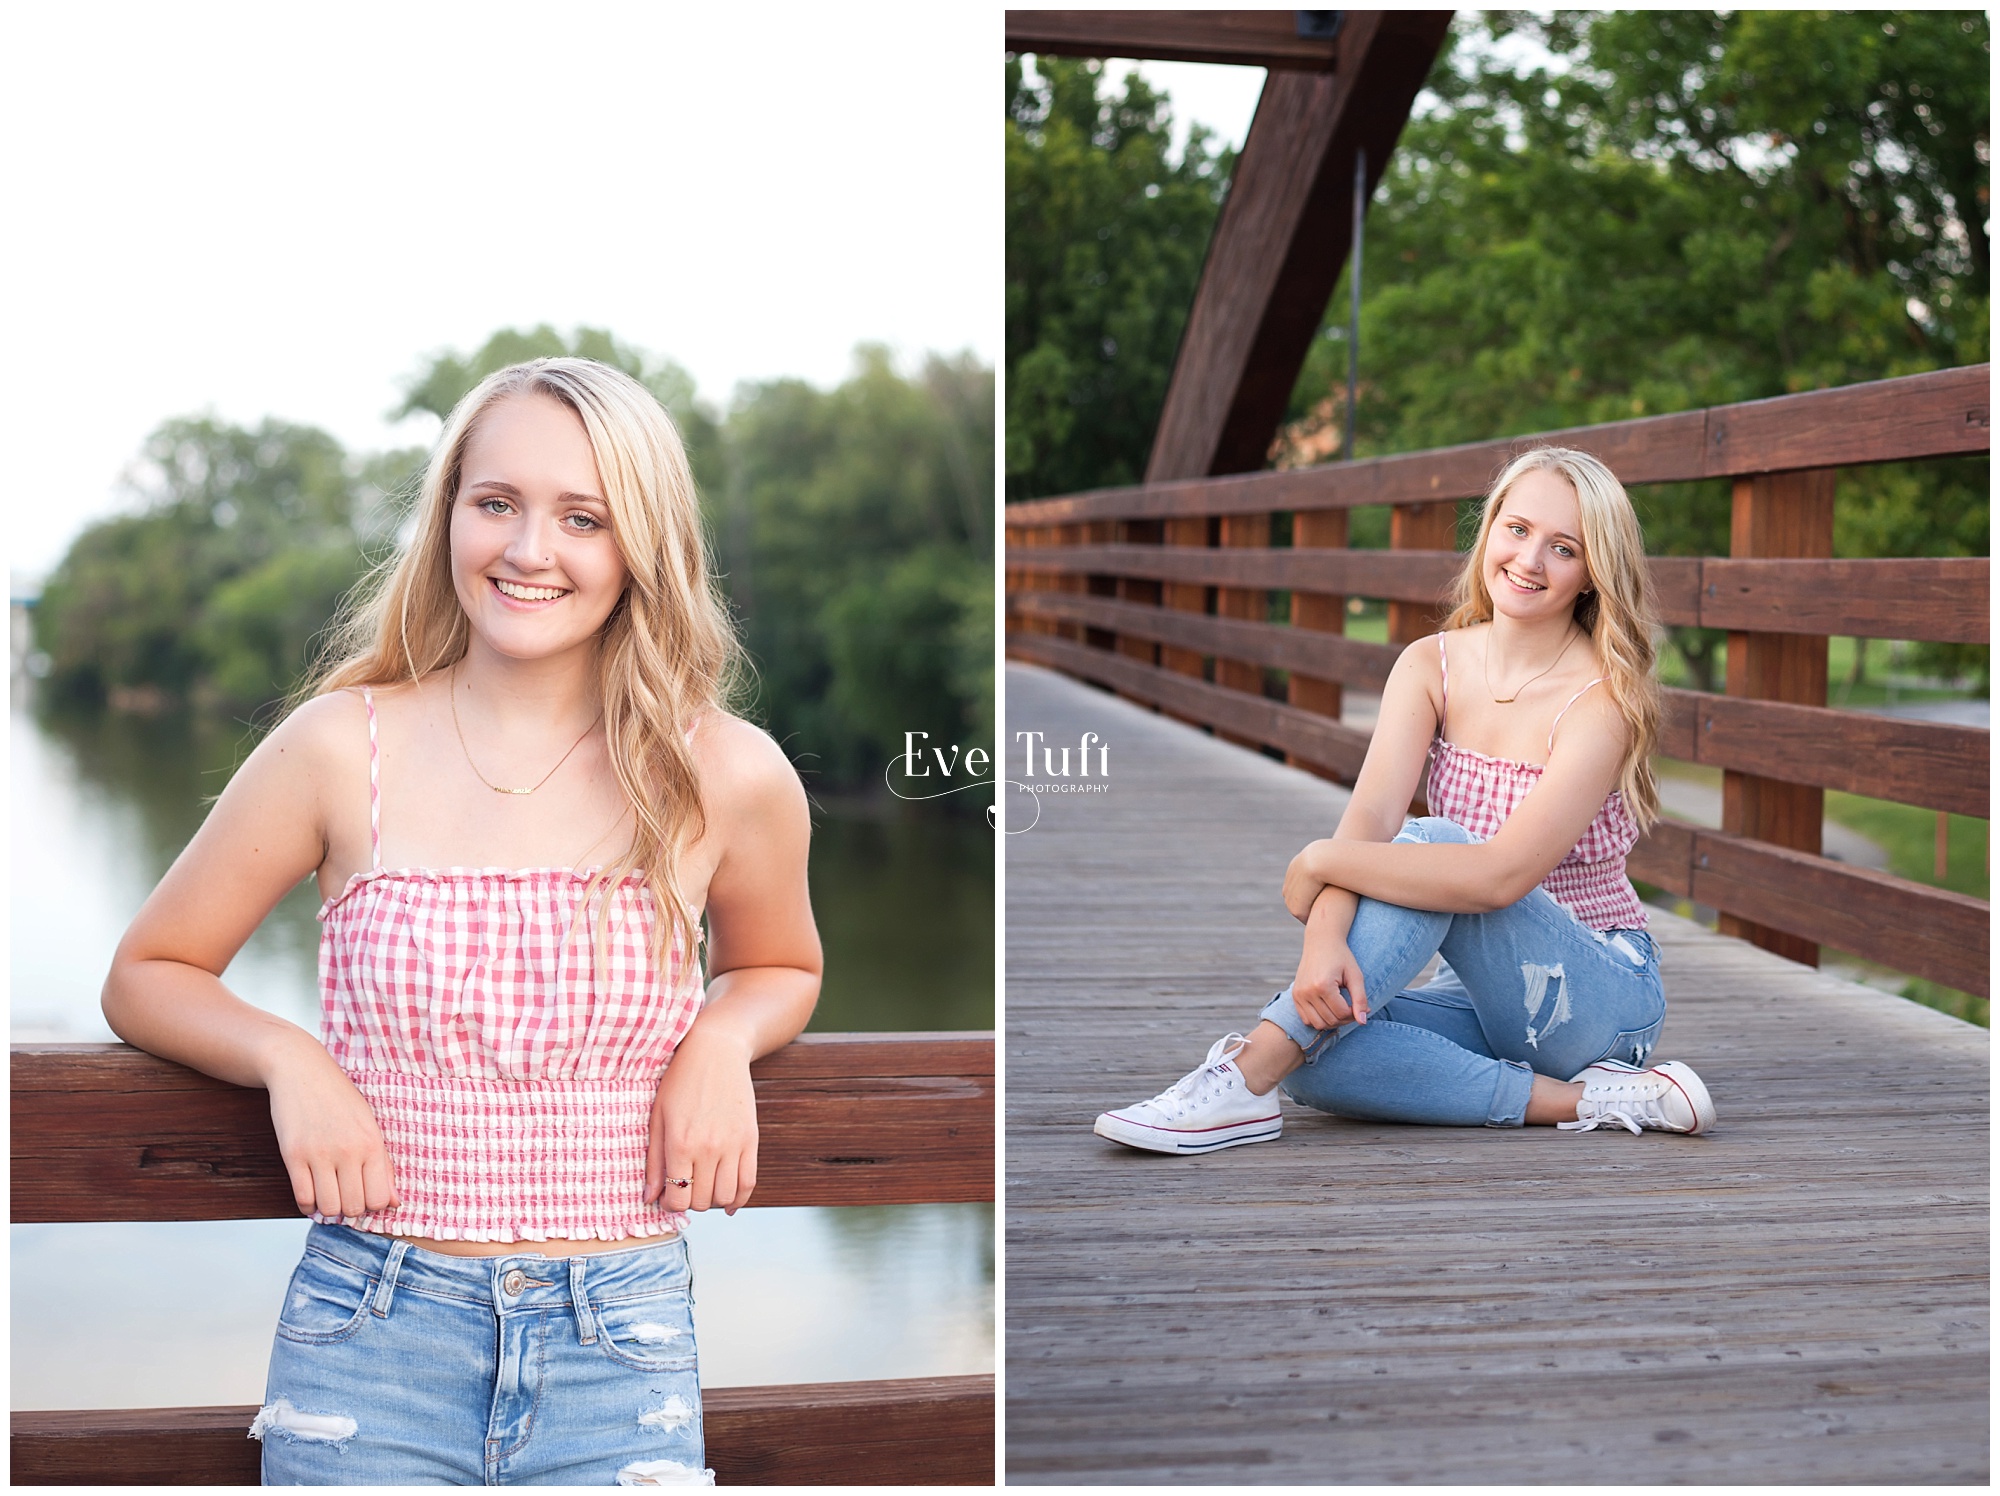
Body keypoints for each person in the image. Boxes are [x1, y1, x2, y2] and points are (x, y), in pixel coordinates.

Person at [102, 357, 822, 1485]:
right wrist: (290, 1058)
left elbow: (778, 963)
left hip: (620, 1341)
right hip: (370, 1333)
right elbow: (149, 970)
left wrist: (722, 1038)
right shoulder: (339, 747)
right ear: (447, 516)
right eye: (496, 503)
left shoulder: (723, 771)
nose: (530, 549)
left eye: (582, 517)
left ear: (643, 544)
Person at [1094, 446, 1713, 1154]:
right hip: (1475, 994)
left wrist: (1318, 859)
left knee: (1434, 843)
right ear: (1489, 530)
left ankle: (1244, 1075)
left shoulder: (1601, 700)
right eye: (1516, 529)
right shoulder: (1430, 665)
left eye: (1563, 548)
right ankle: (1586, 1100)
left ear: (1593, 571)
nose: (1529, 560)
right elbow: (1367, 823)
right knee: (1317, 1053)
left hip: (1599, 1000)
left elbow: (1498, 877)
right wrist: (1322, 943)